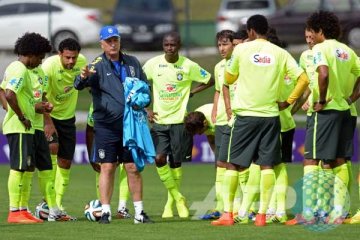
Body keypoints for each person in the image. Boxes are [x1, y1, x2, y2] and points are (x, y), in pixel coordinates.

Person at [211, 14, 309, 227]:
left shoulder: (241, 50)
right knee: (266, 165)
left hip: (245, 115)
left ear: (251, 31)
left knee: (233, 164)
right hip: (270, 117)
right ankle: (263, 216)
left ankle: (228, 214)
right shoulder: (280, 52)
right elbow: (304, 78)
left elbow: (228, 78)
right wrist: (287, 102)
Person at [286, 11, 360, 225]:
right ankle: (338, 212)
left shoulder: (320, 48)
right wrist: (351, 98)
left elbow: (324, 73)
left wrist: (322, 99)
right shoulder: (346, 50)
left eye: (312, 31)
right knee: (338, 161)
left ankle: (309, 213)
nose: (311, 36)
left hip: (325, 113)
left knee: (311, 158)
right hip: (344, 112)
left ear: (319, 31)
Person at [74, 25, 152, 224]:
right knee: (108, 167)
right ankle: (106, 211)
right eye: (108, 41)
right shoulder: (97, 64)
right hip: (106, 126)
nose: (112, 44)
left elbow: (145, 88)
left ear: (119, 41)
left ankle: (140, 213)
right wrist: (81, 78)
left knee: (132, 167)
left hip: (130, 126)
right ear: (101, 43)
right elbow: (80, 83)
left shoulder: (132, 62)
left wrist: (143, 100)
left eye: (115, 40)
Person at [143, 32, 214, 219]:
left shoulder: (188, 65)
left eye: (173, 45)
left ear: (179, 46)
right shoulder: (153, 64)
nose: (169, 48)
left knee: (175, 163)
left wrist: (192, 92)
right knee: (159, 159)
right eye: (166, 45)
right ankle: (178, 198)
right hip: (159, 121)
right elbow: (138, 83)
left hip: (180, 122)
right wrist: (146, 108)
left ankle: (169, 203)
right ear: (163, 46)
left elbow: (210, 80)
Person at [1, 32, 52, 223]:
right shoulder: (19, 69)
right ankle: (14, 211)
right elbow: (9, 94)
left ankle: (23, 210)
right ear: (31, 54)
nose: (40, 62)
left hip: (27, 127)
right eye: (40, 57)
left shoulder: (17, 67)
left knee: (27, 167)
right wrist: (22, 117)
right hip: (19, 127)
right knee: (18, 168)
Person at [42, 38, 87, 218]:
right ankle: (49, 203)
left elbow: (81, 83)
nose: (71, 61)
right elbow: (42, 95)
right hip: (50, 115)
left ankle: (57, 206)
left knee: (66, 162)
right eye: (67, 57)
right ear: (59, 54)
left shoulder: (82, 62)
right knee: (53, 148)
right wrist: (47, 122)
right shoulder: (48, 66)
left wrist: (85, 79)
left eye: (73, 58)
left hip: (68, 118)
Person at [86, 102, 131, 219]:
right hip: (108, 137)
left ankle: (122, 208)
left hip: (126, 135)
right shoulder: (95, 104)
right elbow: (90, 128)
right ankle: (103, 206)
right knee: (103, 167)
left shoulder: (125, 98)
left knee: (127, 167)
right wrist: (91, 155)